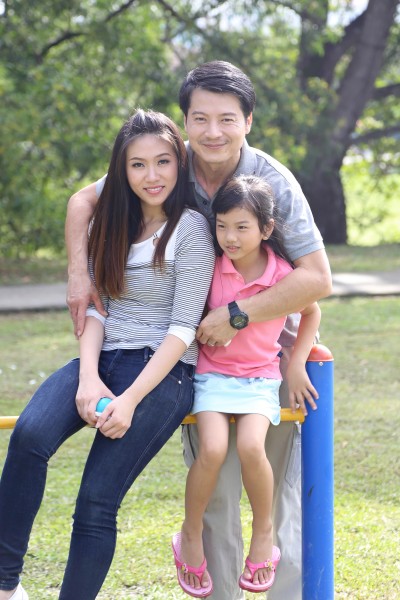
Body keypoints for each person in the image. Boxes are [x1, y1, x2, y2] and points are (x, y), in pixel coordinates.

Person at [64, 61, 332, 600]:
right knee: (215, 488)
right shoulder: (167, 163)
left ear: (248, 121)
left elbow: (318, 280)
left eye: (227, 119)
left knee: (276, 487)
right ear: (184, 121)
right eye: (200, 118)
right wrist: (78, 273)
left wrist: (238, 316)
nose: (213, 132)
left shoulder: (273, 182)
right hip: (199, 357)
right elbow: (82, 201)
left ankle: (281, 587)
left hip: (267, 357)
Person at [0, 109, 215, 600]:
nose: (151, 175)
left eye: (163, 162)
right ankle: (5, 584)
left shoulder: (192, 230)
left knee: (96, 501)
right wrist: (88, 378)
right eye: (138, 165)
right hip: (103, 358)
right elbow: (98, 308)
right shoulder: (111, 223)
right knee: (29, 436)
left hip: (163, 373)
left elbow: (183, 329)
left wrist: (131, 399)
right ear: (121, 170)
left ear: (179, 164)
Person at [172, 175, 321, 598]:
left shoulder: (282, 273)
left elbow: (311, 312)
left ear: (266, 229)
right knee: (213, 449)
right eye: (222, 226)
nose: (230, 237)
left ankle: (263, 534)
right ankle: (190, 534)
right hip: (212, 375)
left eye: (241, 227)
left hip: (259, 378)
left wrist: (296, 363)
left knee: (253, 447)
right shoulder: (211, 267)